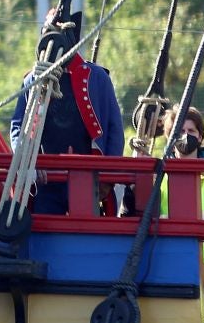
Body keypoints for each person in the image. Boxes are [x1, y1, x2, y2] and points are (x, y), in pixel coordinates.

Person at [9, 12, 124, 215]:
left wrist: (108, 176)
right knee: (44, 237)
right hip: (45, 181)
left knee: (88, 234)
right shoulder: (33, 81)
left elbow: (114, 129)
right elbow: (18, 127)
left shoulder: (96, 77)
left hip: (89, 180)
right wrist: (28, 162)